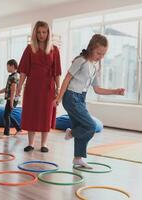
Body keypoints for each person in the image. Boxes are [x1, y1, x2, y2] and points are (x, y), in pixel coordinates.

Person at [54, 34, 125, 168]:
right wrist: (58, 98)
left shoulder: (95, 66)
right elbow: (67, 79)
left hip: (81, 98)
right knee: (90, 126)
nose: (100, 57)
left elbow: (97, 89)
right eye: (98, 53)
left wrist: (115, 91)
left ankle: (77, 158)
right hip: (71, 97)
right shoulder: (81, 60)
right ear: (91, 48)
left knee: (82, 127)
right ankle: (71, 133)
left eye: (103, 54)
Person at [17, 21, 61, 153]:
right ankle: (30, 143)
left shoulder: (54, 50)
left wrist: (58, 89)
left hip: (48, 88)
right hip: (32, 87)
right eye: (39, 32)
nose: (41, 35)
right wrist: (19, 87)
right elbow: (24, 70)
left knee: (45, 114)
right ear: (35, 33)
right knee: (32, 113)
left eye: (44, 32)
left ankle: (44, 144)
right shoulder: (29, 49)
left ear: (48, 33)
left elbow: (57, 72)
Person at [0, 59, 22, 138]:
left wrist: (11, 101)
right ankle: (18, 129)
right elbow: (7, 88)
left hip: (11, 99)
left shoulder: (14, 77)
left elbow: (13, 90)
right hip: (10, 99)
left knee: (6, 115)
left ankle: (6, 133)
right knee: (7, 115)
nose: (7, 68)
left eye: (7, 66)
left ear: (12, 66)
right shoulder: (11, 76)